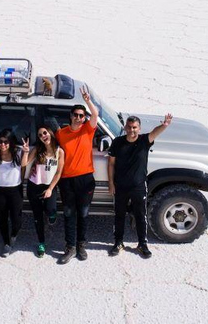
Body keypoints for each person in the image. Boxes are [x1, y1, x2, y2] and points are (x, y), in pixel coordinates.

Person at [108, 113, 174, 259]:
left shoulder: (144, 140)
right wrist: (111, 183)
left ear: (139, 128)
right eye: (130, 127)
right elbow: (111, 163)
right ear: (125, 127)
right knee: (119, 215)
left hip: (138, 186)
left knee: (140, 216)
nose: (132, 130)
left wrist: (164, 125)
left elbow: (154, 133)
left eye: (135, 127)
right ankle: (118, 242)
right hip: (120, 186)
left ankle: (142, 244)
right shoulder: (117, 142)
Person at [55, 86, 99, 264]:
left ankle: (81, 245)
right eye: (76, 115)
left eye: (82, 115)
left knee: (83, 213)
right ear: (71, 116)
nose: (79, 118)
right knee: (68, 214)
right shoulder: (61, 133)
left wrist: (88, 100)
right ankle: (70, 247)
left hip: (86, 179)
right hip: (66, 181)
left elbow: (95, 116)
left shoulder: (87, 130)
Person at [21, 126, 64, 258]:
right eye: (40, 135)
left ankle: (51, 215)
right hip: (34, 186)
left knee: (51, 210)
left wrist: (50, 189)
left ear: (50, 133)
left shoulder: (59, 151)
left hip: (49, 186)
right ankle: (41, 243)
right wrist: (26, 152)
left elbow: (58, 172)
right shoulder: (38, 149)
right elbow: (24, 164)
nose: (43, 136)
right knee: (38, 218)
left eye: (45, 133)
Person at [0, 128, 24, 257]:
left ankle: (14, 235)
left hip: (15, 190)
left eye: (6, 142)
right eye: (0, 141)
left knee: (16, 219)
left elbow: (24, 164)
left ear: (11, 143)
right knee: (2, 218)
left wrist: (26, 152)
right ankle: (6, 243)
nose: (2, 144)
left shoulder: (18, 153)